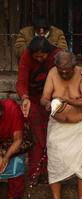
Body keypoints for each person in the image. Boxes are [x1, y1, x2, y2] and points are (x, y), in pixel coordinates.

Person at [41, 52, 82, 199]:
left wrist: (67, 101)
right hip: (58, 126)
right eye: (62, 70)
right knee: (55, 163)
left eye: (67, 70)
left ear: (73, 66)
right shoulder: (53, 73)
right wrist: (48, 105)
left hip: (81, 126)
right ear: (57, 66)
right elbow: (44, 98)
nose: (65, 73)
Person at [16, 37, 61, 186]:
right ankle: (35, 173)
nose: (39, 59)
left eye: (42, 56)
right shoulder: (26, 56)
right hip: (33, 101)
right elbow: (21, 82)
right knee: (37, 139)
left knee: (52, 138)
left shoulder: (57, 55)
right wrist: (25, 98)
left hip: (54, 102)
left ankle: (51, 173)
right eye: (36, 57)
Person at [0, 99, 29, 199]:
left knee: (16, 164)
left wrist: (5, 158)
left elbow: (18, 140)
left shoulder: (11, 108)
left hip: (12, 141)